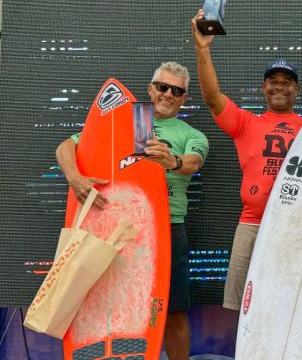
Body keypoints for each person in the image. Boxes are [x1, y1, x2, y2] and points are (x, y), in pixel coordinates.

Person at [56, 62, 209, 360]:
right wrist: (75, 178)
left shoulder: (192, 135)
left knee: (174, 312)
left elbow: (193, 163)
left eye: (177, 91)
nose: (168, 94)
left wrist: (172, 163)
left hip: (166, 231)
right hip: (112, 227)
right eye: (162, 87)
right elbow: (65, 147)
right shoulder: (123, 123)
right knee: (104, 306)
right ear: (150, 89)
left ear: (184, 98)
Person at [190, 9, 302, 312]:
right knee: (244, 307)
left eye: (287, 81)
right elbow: (213, 97)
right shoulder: (246, 123)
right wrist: (203, 48)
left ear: (296, 89)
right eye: (273, 80)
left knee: (288, 306)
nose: (279, 85)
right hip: (251, 224)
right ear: (263, 87)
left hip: (294, 226)